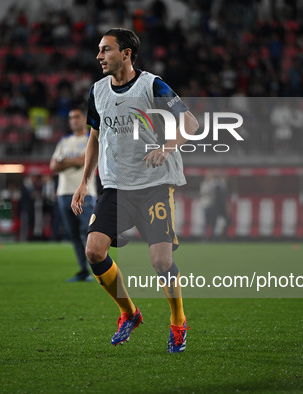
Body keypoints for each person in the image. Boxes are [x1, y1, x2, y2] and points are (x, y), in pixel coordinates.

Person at [71, 28, 199, 353]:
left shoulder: (152, 85)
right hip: (116, 185)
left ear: (126, 53)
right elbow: (94, 138)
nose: (99, 56)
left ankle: (178, 321)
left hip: (154, 185)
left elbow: (191, 123)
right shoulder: (97, 91)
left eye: (106, 50)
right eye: (99, 50)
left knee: (160, 262)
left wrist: (167, 148)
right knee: (93, 251)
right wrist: (83, 181)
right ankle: (129, 313)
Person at [50, 107, 97, 282]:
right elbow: (53, 166)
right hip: (63, 193)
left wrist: (64, 161)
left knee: (90, 232)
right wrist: (74, 162)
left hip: (85, 193)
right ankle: (84, 271)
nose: (73, 120)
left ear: (83, 118)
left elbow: (82, 161)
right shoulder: (64, 141)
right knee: (74, 236)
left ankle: (101, 269)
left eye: (77, 117)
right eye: (71, 117)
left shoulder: (90, 138)